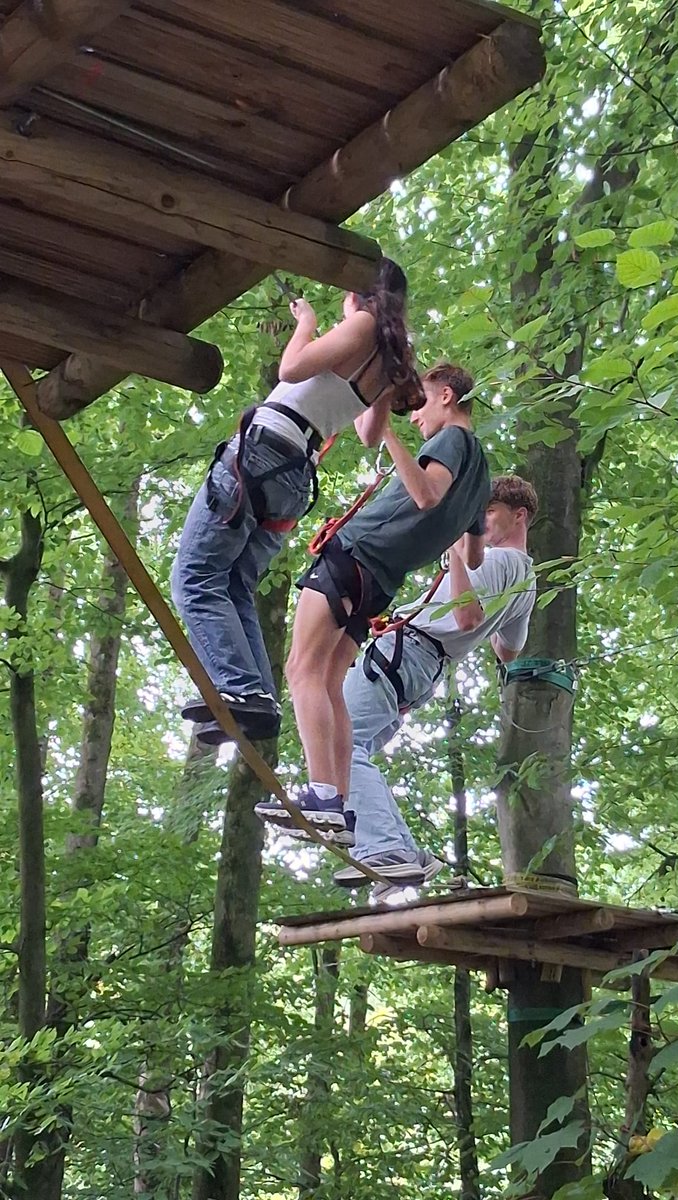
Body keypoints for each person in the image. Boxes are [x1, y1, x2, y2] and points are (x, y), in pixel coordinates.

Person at [172, 259, 421, 744]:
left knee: (195, 578)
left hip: (264, 454)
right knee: (236, 583)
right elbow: (370, 434)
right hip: (292, 477)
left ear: (364, 295)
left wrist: (306, 324)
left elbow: (290, 368)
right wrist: (385, 385)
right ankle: (255, 696)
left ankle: (241, 689)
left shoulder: (363, 324)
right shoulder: (388, 357)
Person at [254, 362, 491, 837]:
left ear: (445, 395)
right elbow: (475, 554)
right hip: (381, 580)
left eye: (420, 402)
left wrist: (390, 440)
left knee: (302, 670)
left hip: (356, 555)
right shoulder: (482, 478)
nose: (416, 416)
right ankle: (336, 803)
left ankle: (322, 794)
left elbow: (426, 494)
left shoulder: (452, 441)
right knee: (330, 681)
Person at [327, 475, 538, 887]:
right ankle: (404, 853)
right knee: (352, 746)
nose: (481, 522)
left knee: (341, 744)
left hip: (407, 651)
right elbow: (507, 649)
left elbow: (465, 617)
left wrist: (456, 552)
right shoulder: (526, 583)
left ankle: (385, 848)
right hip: (423, 666)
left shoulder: (495, 562)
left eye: (489, 512)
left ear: (520, 516)